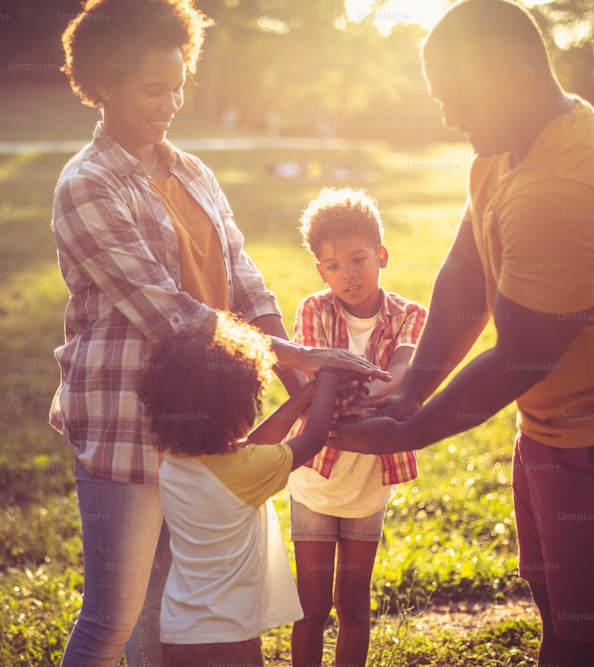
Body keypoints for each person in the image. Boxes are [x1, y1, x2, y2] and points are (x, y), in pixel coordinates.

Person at [332, 2, 594, 666]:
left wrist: (407, 431)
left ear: (519, 79)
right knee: (561, 619)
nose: (448, 116)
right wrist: (414, 383)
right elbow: (468, 269)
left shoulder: (562, 185)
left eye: (458, 98)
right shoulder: (510, 142)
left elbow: (522, 356)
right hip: (555, 430)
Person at [49, 2, 386, 665]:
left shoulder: (194, 173)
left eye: (178, 85)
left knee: (168, 611)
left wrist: (307, 377)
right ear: (104, 84)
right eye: (153, 89)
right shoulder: (86, 185)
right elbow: (165, 310)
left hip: (205, 424)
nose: (171, 101)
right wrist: (292, 353)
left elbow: (245, 278)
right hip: (128, 427)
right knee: (113, 617)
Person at [138, 313, 372, 667]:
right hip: (227, 636)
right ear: (232, 409)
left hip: (178, 632)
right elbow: (312, 439)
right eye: (251, 399)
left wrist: (307, 392)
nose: (254, 406)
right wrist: (328, 378)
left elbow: (251, 445)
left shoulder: (174, 462)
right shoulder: (245, 472)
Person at [285, 188, 426, 667]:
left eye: (358, 259)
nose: (347, 274)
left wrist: (348, 393)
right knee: (311, 607)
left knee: (353, 605)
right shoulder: (313, 310)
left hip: (369, 484)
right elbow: (319, 385)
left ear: (381, 255)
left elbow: (404, 372)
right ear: (320, 271)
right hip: (316, 482)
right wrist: (371, 396)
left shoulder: (408, 315)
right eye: (332, 265)